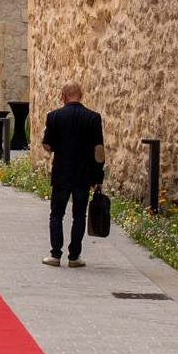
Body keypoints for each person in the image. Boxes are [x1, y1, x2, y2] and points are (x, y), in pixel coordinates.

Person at [40, 82, 105, 267]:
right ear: (81, 95)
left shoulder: (54, 117)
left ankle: (55, 254)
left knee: (56, 214)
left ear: (63, 95)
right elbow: (99, 151)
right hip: (83, 174)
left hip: (62, 172)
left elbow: (47, 145)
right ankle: (74, 256)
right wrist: (98, 177)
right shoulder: (93, 118)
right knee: (79, 215)